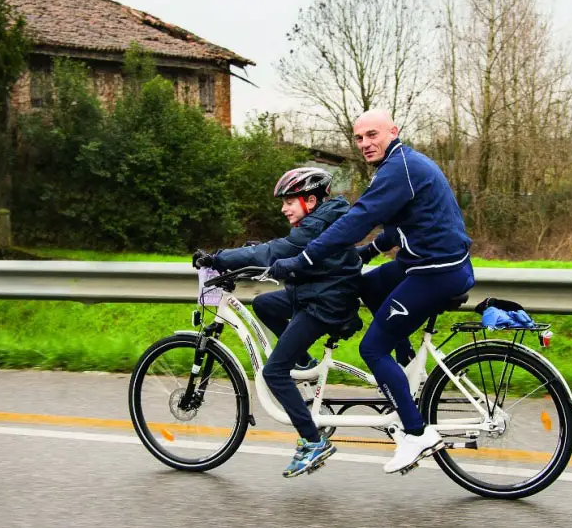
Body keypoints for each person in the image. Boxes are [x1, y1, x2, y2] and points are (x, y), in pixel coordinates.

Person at [268, 110, 475, 474]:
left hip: (434, 273)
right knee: (365, 285)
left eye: (372, 135)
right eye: (359, 137)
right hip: (432, 264)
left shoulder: (400, 169)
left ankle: (415, 434)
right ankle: (407, 363)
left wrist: (304, 258)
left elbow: (357, 219)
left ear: (393, 132)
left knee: (372, 347)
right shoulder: (403, 165)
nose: (365, 143)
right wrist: (369, 252)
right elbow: (399, 226)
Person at [192, 167, 362, 478]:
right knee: (264, 303)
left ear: (310, 200)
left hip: (324, 303)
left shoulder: (318, 224)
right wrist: (250, 255)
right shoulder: (322, 218)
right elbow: (280, 249)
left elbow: (278, 250)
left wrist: (219, 259)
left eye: (289, 201)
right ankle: (306, 365)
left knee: (274, 372)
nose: (284, 208)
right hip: (315, 293)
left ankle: (313, 443)